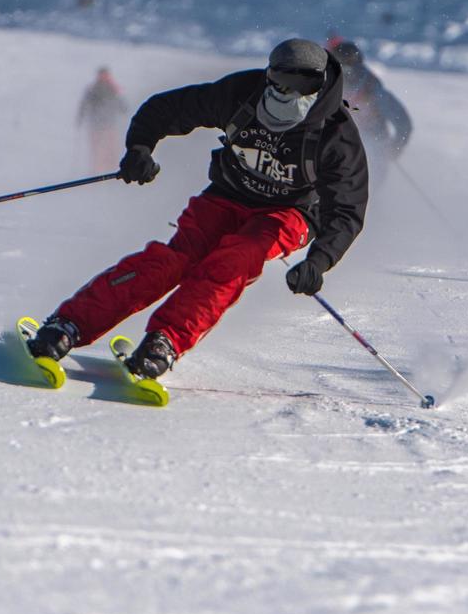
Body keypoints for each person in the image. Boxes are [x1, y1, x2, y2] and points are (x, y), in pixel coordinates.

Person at [25, 38, 370, 381]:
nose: (288, 92)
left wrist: (319, 260)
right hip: (227, 195)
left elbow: (347, 210)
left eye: (301, 84)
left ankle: (166, 340)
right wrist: (140, 149)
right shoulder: (242, 94)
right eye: (280, 82)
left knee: (237, 259)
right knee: (174, 260)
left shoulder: (336, 136)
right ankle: (70, 322)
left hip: (288, 213)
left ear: (319, 85)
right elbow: (166, 109)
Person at [331, 40, 412, 173]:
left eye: (348, 68)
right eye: (340, 67)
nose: (345, 74)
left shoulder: (372, 90)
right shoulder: (329, 87)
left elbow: (402, 122)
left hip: (374, 151)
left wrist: (395, 146)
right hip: (338, 150)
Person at [76, 66, 128, 172]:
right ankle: (97, 171)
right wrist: (80, 117)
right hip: (96, 125)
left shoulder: (112, 88)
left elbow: (121, 104)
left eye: (105, 75)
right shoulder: (93, 89)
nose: (104, 77)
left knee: (110, 150)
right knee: (97, 150)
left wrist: (124, 110)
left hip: (109, 124)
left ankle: (111, 170)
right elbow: (84, 104)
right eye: (102, 75)